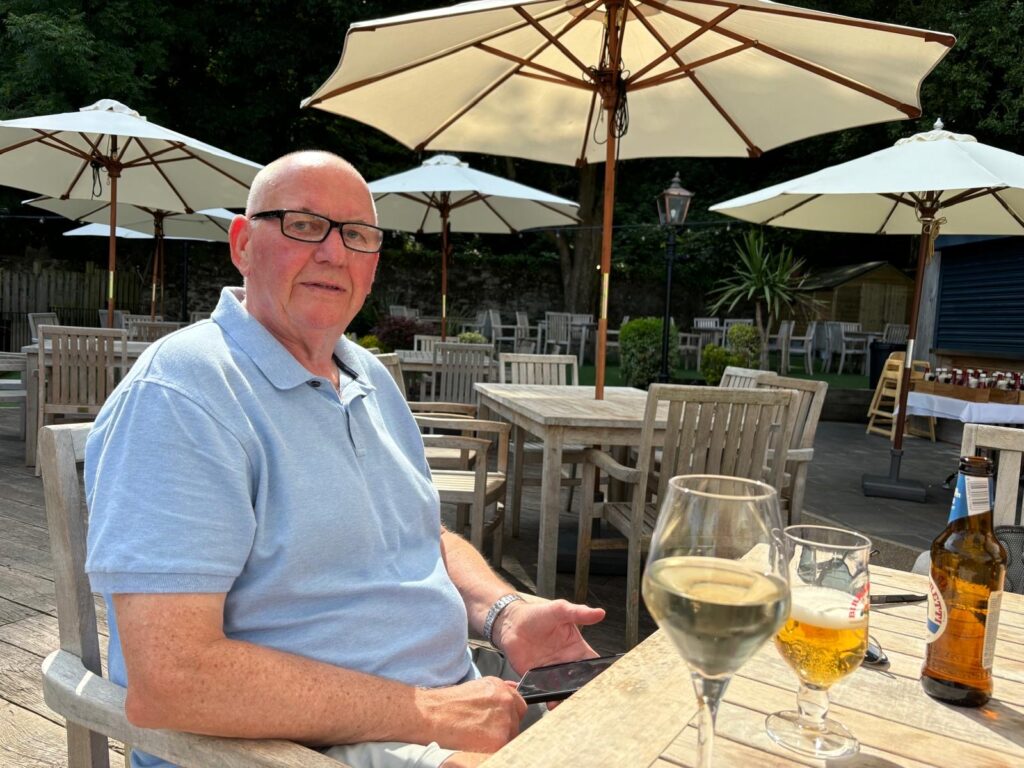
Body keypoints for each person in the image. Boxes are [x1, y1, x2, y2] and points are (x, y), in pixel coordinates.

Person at [84, 150, 606, 768]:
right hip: (292, 750)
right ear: (243, 243)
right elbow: (173, 677)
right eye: (304, 224)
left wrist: (504, 615)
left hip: (453, 712)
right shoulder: (185, 392)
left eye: (357, 235)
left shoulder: (368, 377)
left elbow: (419, 535)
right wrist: (431, 713)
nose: (334, 253)